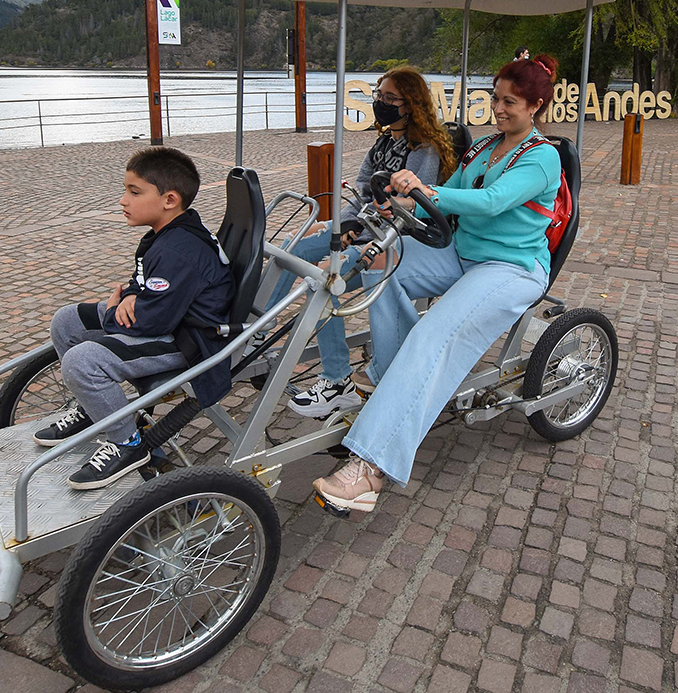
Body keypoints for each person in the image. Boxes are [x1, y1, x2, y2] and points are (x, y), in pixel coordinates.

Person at [311, 54, 562, 514]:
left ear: (535, 106)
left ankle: (370, 468)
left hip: (509, 266)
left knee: (434, 335)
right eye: (495, 99)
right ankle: (396, 377)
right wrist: (400, 203)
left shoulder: (543, 156)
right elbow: (446, 201)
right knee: (379, 261)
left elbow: (491, 201)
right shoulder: (485, 147)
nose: (498, 109)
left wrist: (425, 190)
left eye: (510, 102)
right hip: (461, 251)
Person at [35, 147, 235, 490]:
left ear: (169, 199)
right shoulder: (165, 233)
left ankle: (127, 444)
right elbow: (143, 278)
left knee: (81, 362)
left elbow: (153, 322)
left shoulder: (178, 250)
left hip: (187, 339)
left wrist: (114, 314)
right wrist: (129, 294)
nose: (123, 200)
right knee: (67, 321)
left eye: (134, 192)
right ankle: (94, 409)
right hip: (163, 316)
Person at [262, 66, 454, 417]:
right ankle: (260, 327)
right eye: (379, 95)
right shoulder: (383, 143)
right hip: (365, 228)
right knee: (292, 245)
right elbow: (362, 190)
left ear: (410, 104)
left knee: (323, 281)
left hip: (395, 241)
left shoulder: (423, 151)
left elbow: (409, 211)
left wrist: (359, 232)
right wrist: (342, 223)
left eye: (390, 98)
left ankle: (337, 381)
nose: (381, 102)